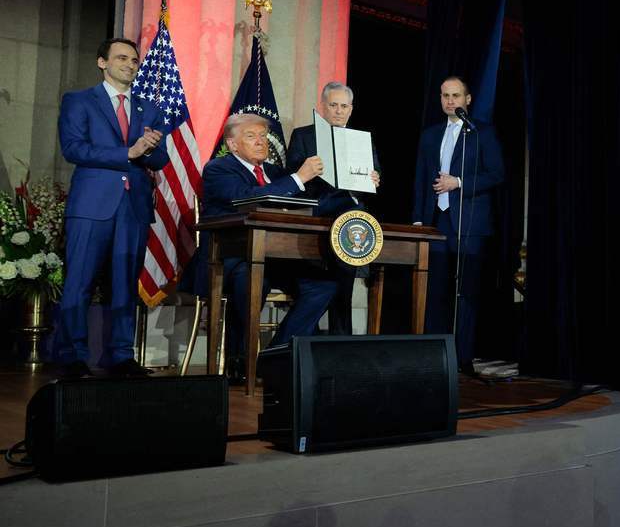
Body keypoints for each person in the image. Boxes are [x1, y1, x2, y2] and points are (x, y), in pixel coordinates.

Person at [54, 38, 169, 378]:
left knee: (124, 283)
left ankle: (120, 355)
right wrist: (127, 154)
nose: (130, 64)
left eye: (134, 60)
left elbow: (160, 159)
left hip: (132, 206)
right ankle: (72, 354)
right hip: (92, 204)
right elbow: (73, 149)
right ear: (102, 62)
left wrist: (149, 149)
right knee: (79, 281)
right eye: (121, 58)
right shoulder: (79, 101)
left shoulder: (149, 108)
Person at [202, 113, 338, 377]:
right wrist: (299, 178)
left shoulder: (276, 173)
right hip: (230, 259)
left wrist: (356, 184)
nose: (260, 142)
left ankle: (274, 356)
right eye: (251, 136)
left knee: (323, 285)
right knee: (252, 279)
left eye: (264, 136)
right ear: (232, 144)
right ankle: (238, 361)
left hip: (276, 257)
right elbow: (245, 198)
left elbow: (312, 202)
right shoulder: (218, 169)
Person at [412, 77, 504, 376]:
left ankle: (462, 357)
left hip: (469, 222)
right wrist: (418, 220)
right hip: (437, 222)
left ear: (468, 99)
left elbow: (497, 174)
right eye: (445, 96)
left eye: (455, 96)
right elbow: (421, 180)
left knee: (465, 292)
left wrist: (459, 182)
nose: (450, 101)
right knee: (435, 289)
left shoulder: (480, 133)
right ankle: (432, 354)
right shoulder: (430, 135)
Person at [284, 81, 381, 334]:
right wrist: (308, 170)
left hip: (351, 219)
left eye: (344, 106)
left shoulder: (362, 140)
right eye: (333, 105)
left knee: (343, 288)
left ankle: (341, 343)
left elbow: (374, 174)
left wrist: (374, 179)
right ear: (323, 107)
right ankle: (310, 341)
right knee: (323, 284)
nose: (339, 111)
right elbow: (292, 177)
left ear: (351, 109)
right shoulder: (303, 135)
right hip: (317, 214)